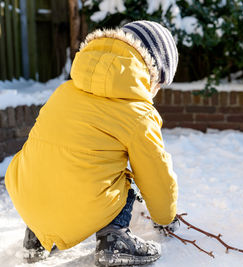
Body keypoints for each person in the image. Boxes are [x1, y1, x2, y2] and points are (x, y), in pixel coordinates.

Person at [5, 20, 179, 266]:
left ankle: (37, 236)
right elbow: (156, 175)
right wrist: (165, 217)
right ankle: (114, 240)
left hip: (25, 196)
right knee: (122, 177)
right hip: (79, 203)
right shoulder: (138, 114)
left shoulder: (65, 90)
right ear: (152, 72)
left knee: (51, 158)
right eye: (160, 83)